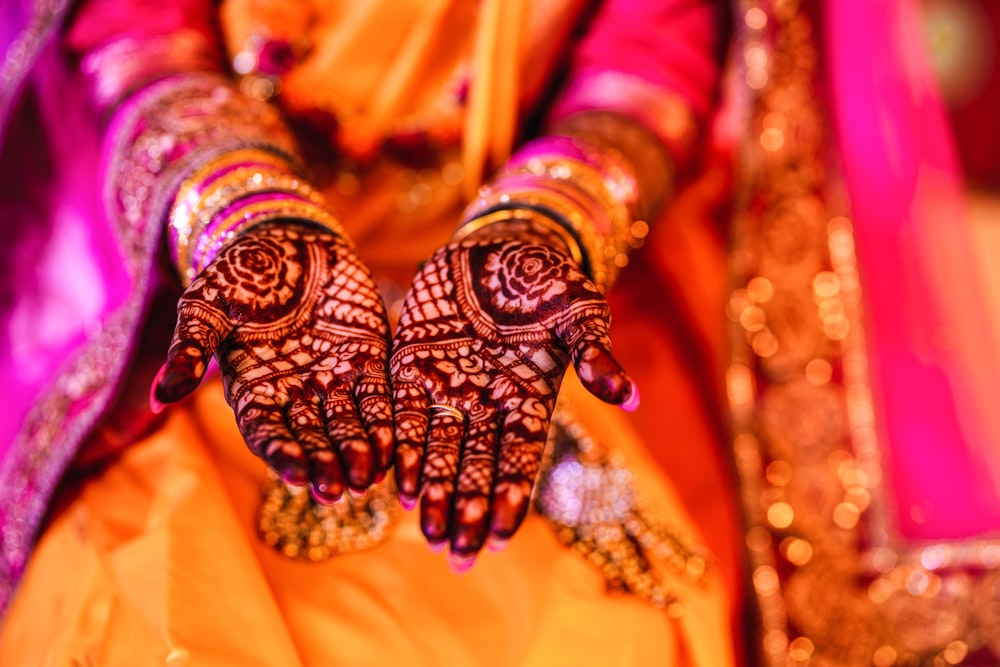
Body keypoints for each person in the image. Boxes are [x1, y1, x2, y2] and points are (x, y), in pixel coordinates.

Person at [2, 1, 998, 666]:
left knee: (605, 627)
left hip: (505, 335)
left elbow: (649, 56)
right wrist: (250, 228)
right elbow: (125, 24)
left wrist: (539, 242)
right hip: (198, 313)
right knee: (149, 600)